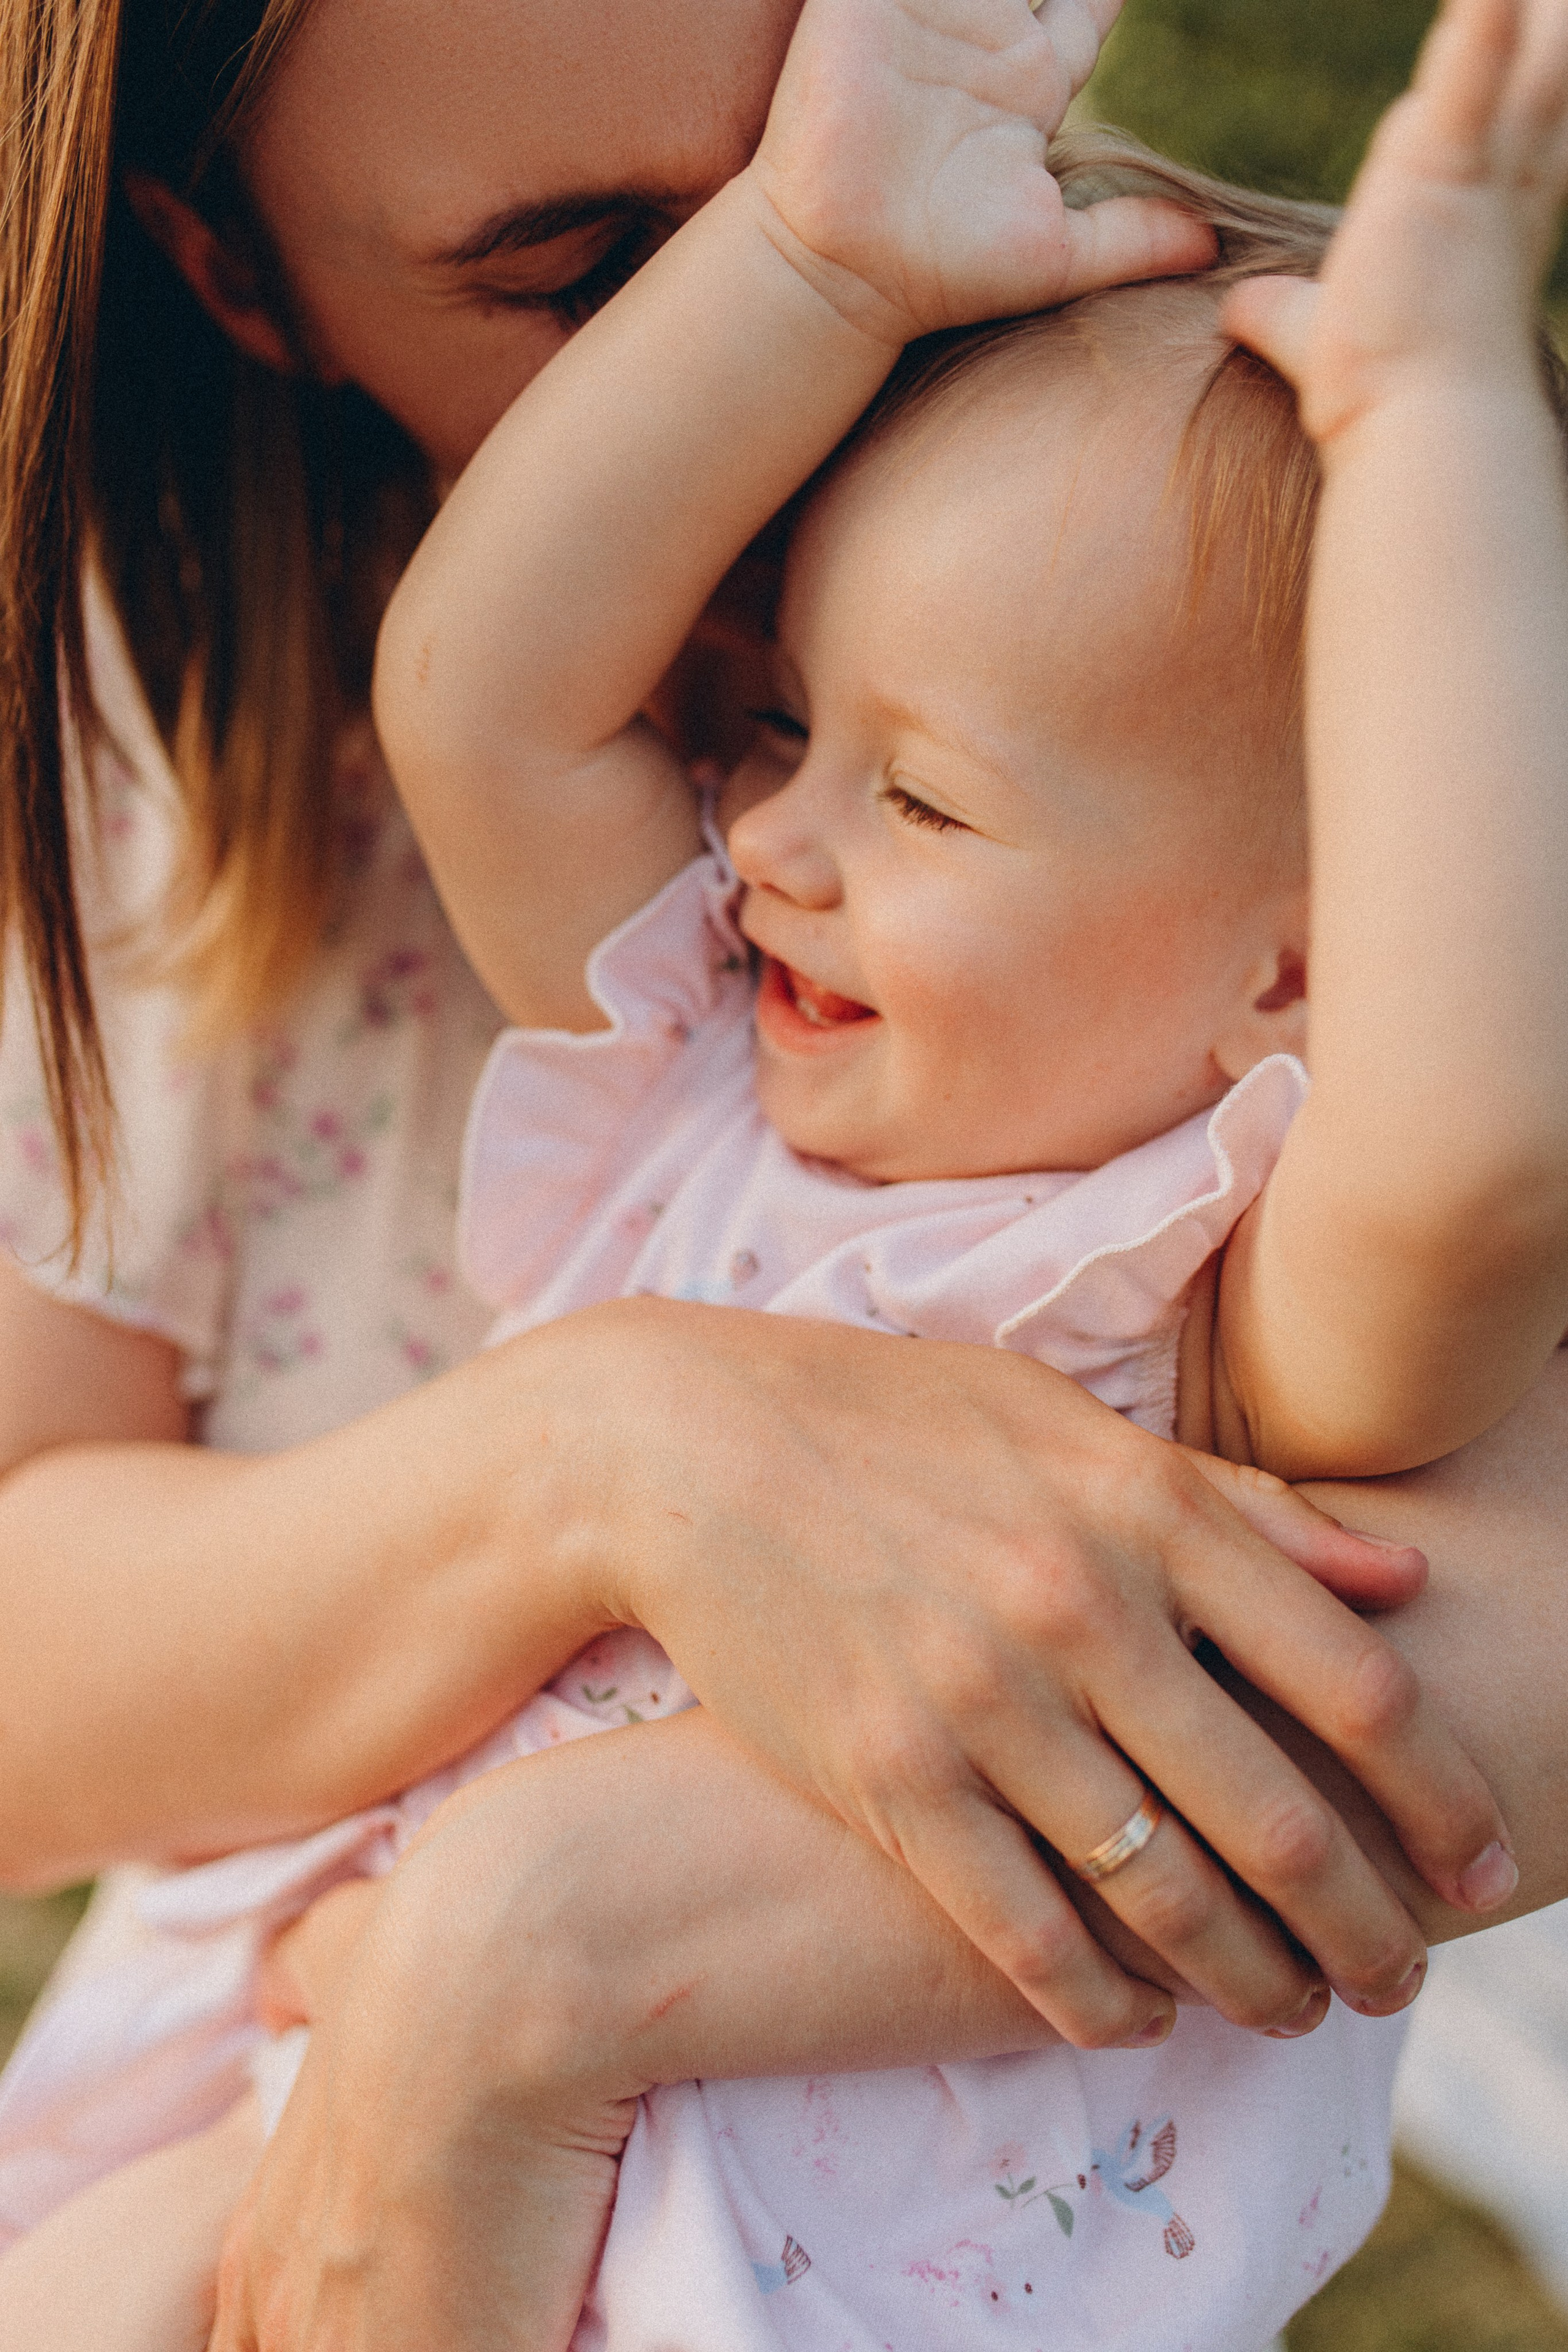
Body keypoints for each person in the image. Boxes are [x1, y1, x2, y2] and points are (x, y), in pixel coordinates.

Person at [0, 0, 1562, 2342]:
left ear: (1308, 968)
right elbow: (481, 691)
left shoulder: (1198, 1255)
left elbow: (1472, 1168)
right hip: (286, 2143)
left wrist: (1441, 406)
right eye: (601, 269)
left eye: (912, 794)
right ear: (227, 274)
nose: (767, 834)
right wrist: (818, 262)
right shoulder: (707, 1072)